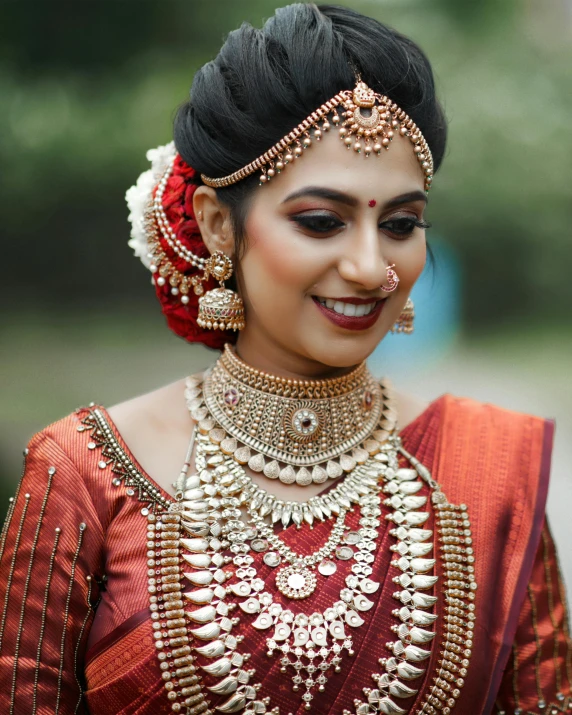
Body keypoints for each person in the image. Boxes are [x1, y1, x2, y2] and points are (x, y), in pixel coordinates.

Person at [0, 4, 570, 714]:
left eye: (400, 224)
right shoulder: (84, 473)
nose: (371, 267)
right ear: (217, 225)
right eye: (321, 221)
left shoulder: (493, 473)